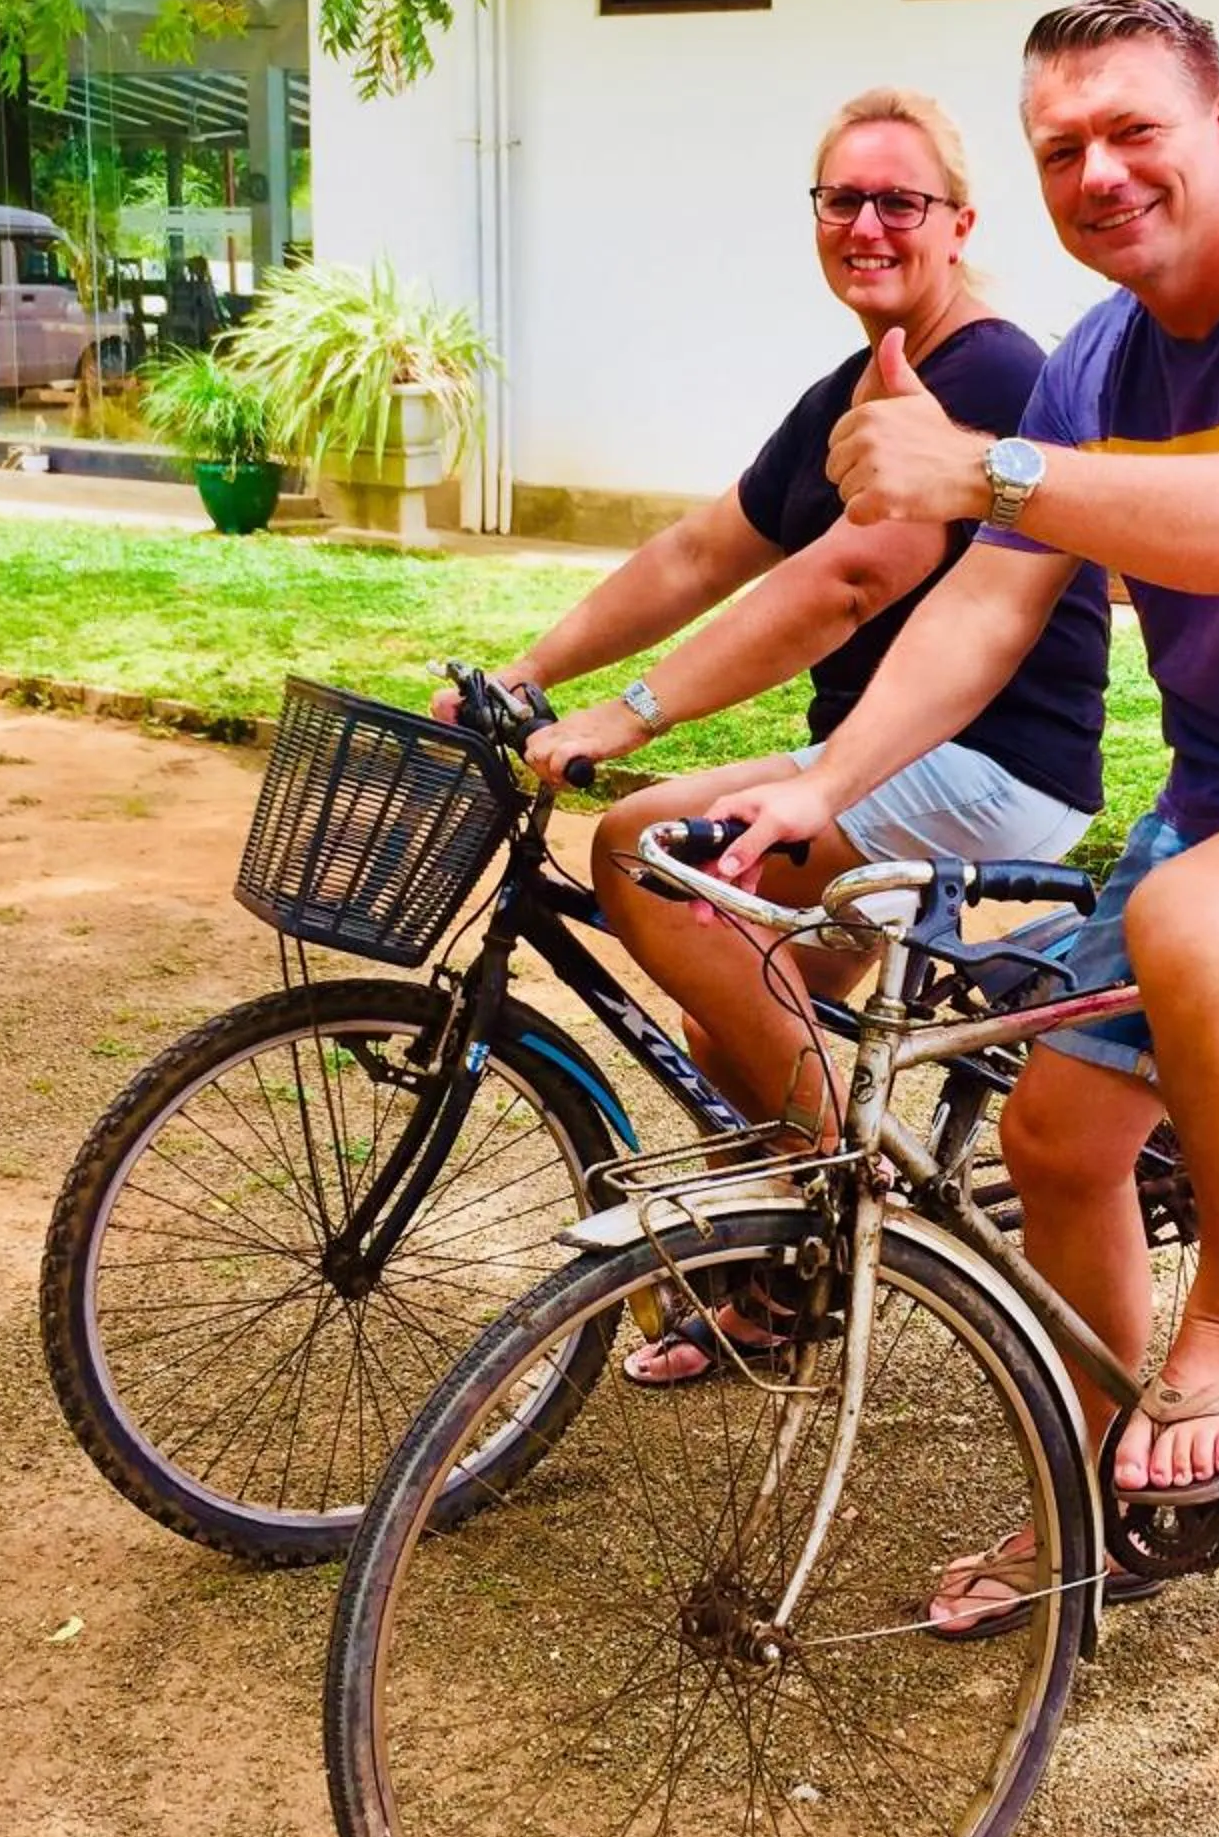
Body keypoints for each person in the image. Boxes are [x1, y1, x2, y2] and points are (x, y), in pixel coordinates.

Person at [708, 0, 1219, 1626]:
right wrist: (824, 780)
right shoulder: (1098, 357)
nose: (1098, 171)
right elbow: (982, 614)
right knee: (1052, 1134)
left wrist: (985, 471)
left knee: (1194, 926)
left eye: (1133, 130)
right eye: (1061, 150)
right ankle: (1100, 1496)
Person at [447, 87, 1115, 1385]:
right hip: (894, 761)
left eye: (898, 202)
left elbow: (844, 582)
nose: (865, 224)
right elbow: (706, 550)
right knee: (737, 1006)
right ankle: (781, 1288)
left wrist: (629, 715)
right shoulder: (845, 391)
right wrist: (530, 671)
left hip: (992, 768)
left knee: (645, 848)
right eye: (841, 200)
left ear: (958, 221)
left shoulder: (983, 374)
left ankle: (858, 1211)